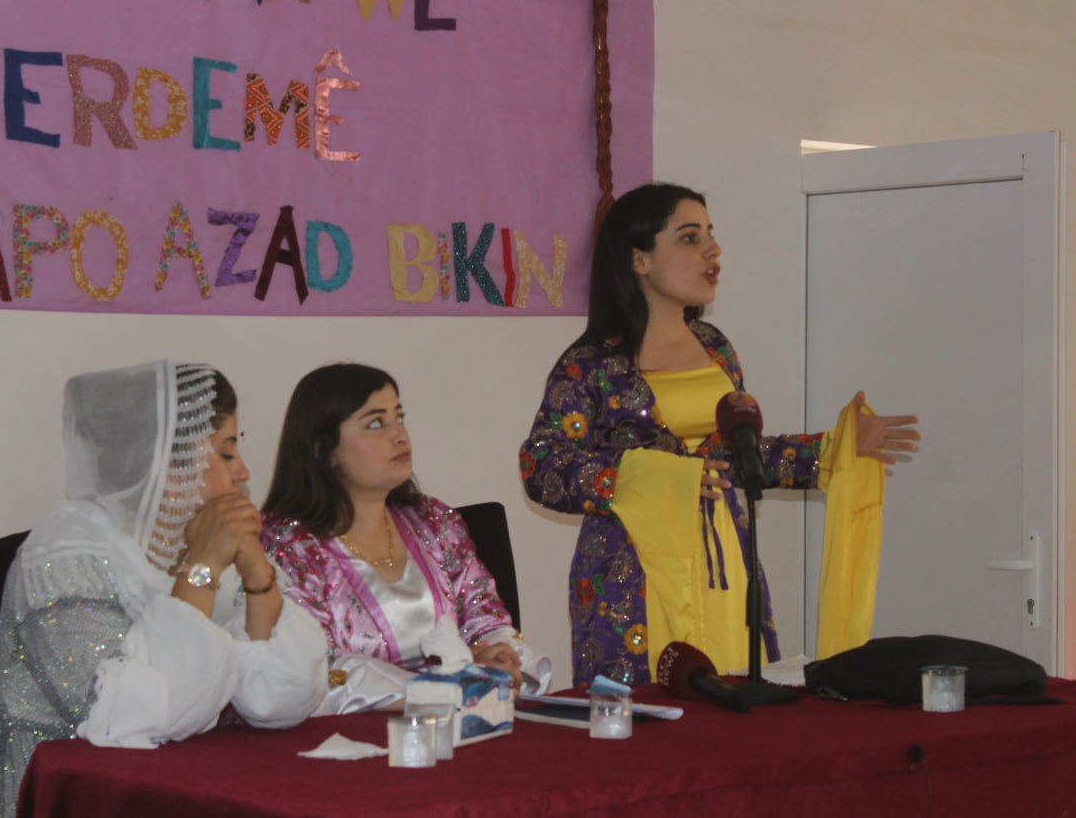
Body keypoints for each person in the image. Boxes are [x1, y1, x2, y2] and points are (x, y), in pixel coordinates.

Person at [519, 183, 920, 687]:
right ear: (639, 259)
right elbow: (542, 466)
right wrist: (651, 476)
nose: (713, 250)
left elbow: (739, 456)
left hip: (726, 563)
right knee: (649, 717)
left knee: (736, 702)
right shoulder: (591, 364)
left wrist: (834, 447)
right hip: (632, 574)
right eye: (690, 237)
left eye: (710, 234)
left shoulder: (715, 348)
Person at [0, 361, 327, 818]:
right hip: (62, 797)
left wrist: (256, 574)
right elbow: (128, 717)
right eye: (226, 453)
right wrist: (202, 568)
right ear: (169, 465)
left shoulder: (193, 536)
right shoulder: (69, 550)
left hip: (179, 784)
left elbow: (281, 700)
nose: (243, 472)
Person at [261, 363, 551, 714]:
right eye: (375, 423)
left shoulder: (433, 522)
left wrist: (498, 658)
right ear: (324, 449)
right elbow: (317, 677)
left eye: (399, 417)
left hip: (459, 726)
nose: (400, 435)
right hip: (350, 738)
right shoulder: (290, 548)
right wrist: (448, 686)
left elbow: (486, 620)